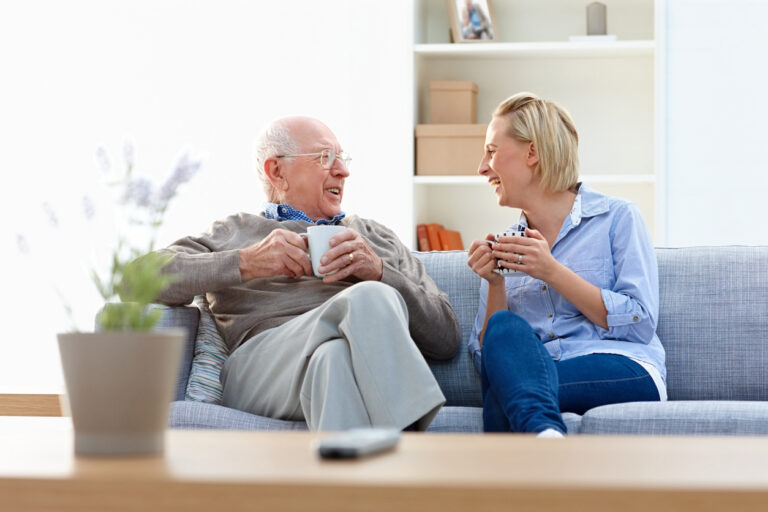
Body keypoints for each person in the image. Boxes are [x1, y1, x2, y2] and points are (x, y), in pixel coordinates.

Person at [151, 116, 461, 431]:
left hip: (331, 365)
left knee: (333, 360)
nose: (343, 170)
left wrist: (380, 272)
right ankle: (416, 452)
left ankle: (348, 477)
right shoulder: (235, 231)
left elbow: (446, 337)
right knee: (369, 299)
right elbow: (136, 279)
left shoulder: (376, 238)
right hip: (261, 370)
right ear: (277, 171)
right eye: (325, 158)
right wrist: (247, 261)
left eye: (342, 158)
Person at [466, 92, 666, 437]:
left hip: (621, 366)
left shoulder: (617, 218)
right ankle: (546, 437)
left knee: (505, 395)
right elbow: (489, 361)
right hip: (537, 372)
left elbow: (640, 322)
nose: (482, 167)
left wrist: (552, 271)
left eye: (492, 151)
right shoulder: (506, 246)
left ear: (532, 152)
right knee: (502, 330)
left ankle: (515, 472)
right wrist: (496, 284)